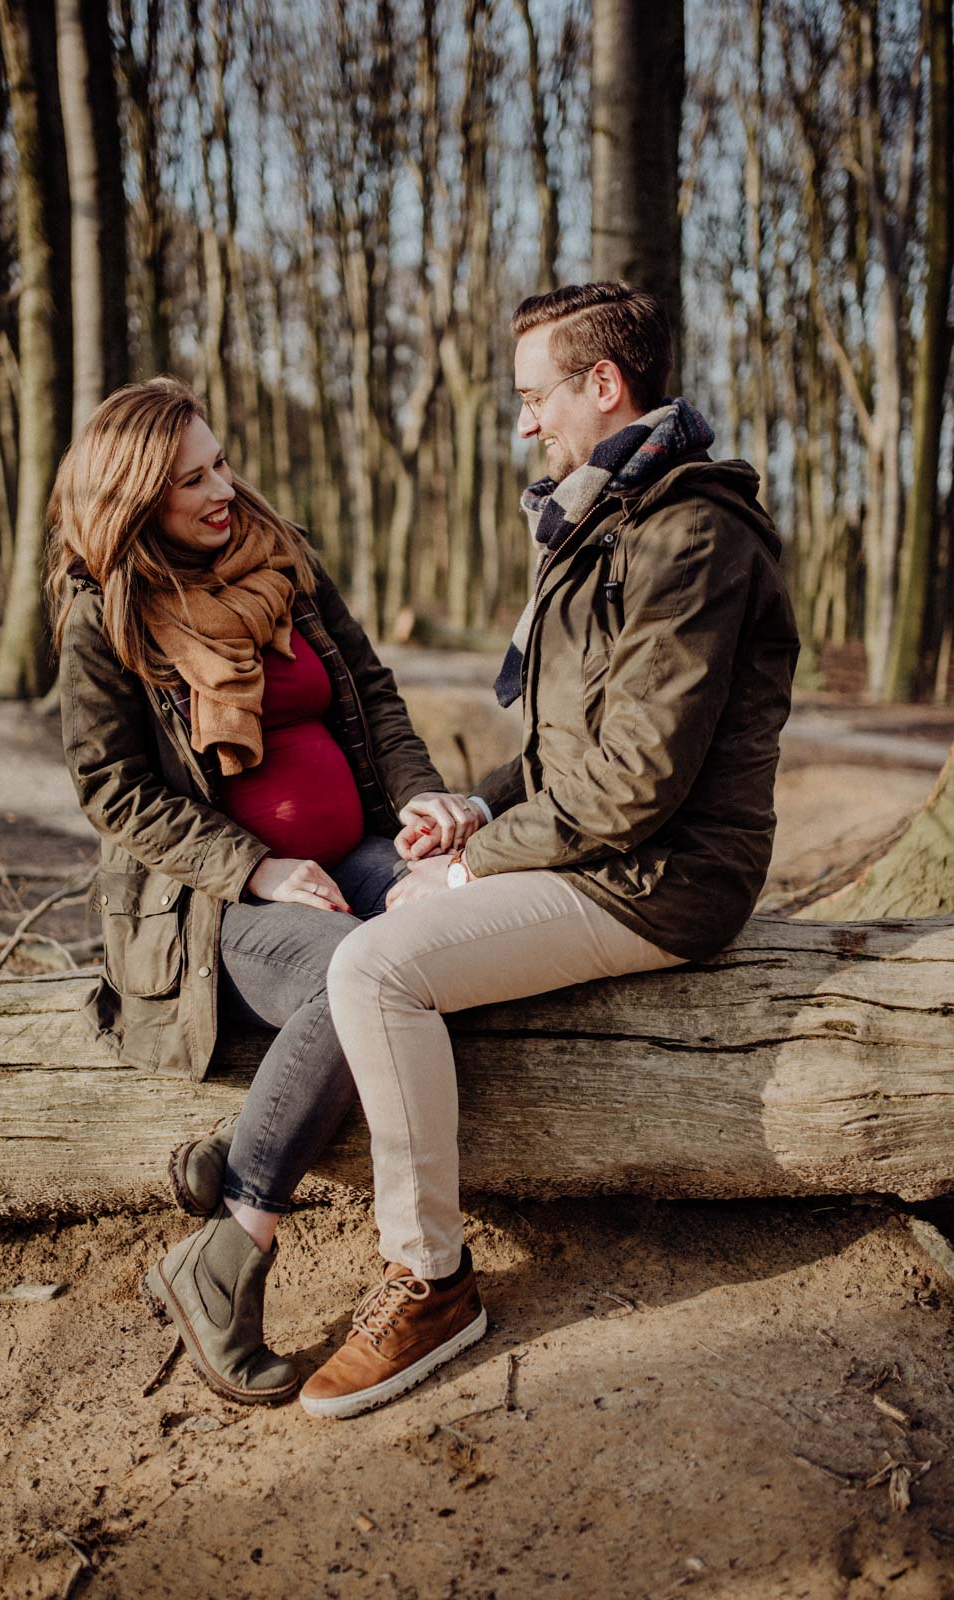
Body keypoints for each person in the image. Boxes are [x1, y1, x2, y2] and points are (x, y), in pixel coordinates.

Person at [299, 281, 800, 1419]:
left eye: (536, 397)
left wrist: (475, 870)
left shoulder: (691, 533)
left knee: (377, 964)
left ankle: (429, 1279)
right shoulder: (605, 518)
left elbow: (635, 785)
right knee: (387, 907)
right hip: (608, 849)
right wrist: (476, 811)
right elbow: (571, 746)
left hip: (667, 879)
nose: (526, 422)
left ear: (603, 386)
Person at [48, 377, 485, 1405]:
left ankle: (236, 1148)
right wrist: (251, 865)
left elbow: (372, 693)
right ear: (135, 499)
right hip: (209, 912)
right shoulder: (104, 613)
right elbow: (108, 786)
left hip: (356, 857)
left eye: (221, 461)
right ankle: (232, 1243)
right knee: (361, 972)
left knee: (463, 914)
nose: (224, 489)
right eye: (192, 477)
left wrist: (421, 804)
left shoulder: (281, 556)